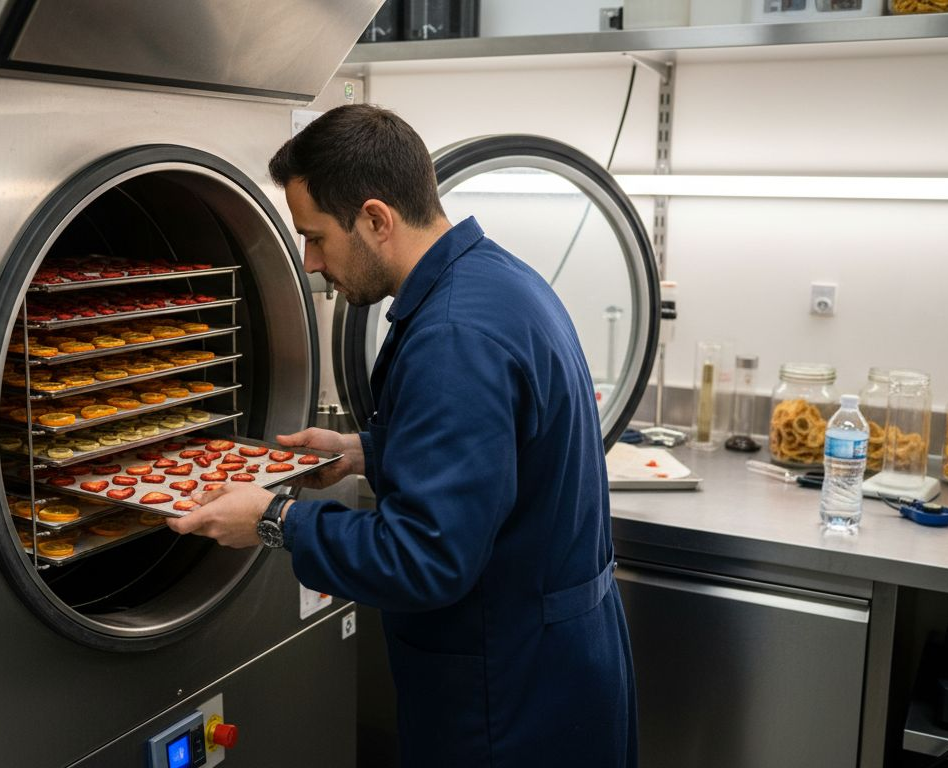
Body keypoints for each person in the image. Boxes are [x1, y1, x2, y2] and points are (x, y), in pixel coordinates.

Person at [166, 104, 637, 767]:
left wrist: (275, 520)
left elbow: (425, 558)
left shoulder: (452, 336)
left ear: (377, 220)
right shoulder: (496, 280)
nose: (308, 262)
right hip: (556, 666)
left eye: (316, 237)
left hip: (506, 700)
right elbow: (501, 453)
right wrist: (366, 453)